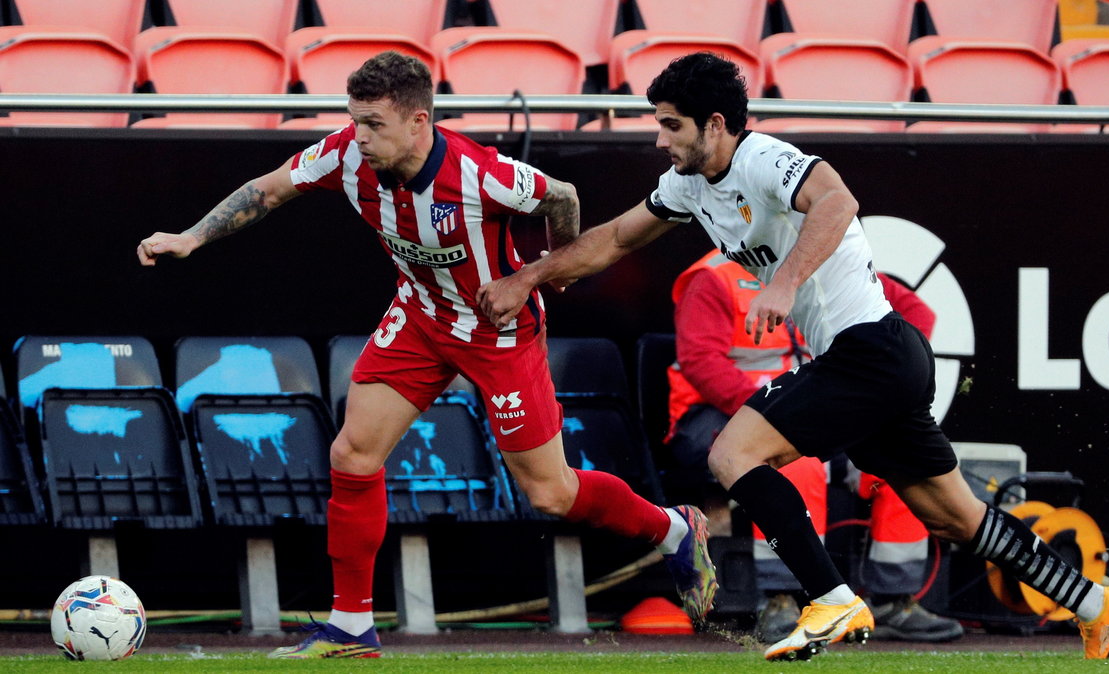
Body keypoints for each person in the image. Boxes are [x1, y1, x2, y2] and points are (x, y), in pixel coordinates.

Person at [477, 52, 1109, 661]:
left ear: (714, 125)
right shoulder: (688, 185)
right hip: (886, 360)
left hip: (867, 351)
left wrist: (785, 281)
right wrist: (528, 277)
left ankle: (830, 599)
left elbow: (838, 199)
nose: (659, 139)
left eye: (670, 125)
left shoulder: (763, 156)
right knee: (955, 515)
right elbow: (617, 238)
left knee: (733, 455)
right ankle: (1097, 603)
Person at [136, 51, 716, 659]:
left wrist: (553, 269)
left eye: (373, 125)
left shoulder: (479, 173)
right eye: (354, 120)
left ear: (418, 122)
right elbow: (270, 187)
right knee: (353, 453)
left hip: (499, 332)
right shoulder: (343, 153)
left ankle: (673, 527)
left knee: (551, 493)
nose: (358, 137)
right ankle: (350, 628)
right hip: (419, 319)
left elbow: (562, 196)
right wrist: (192, 236)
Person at [669, 249, 962, 643]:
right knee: (792, 463)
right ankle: (783, 599)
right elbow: (700, 361)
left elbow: (915, 314)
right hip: (718, 414)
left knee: (899, 455)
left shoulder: (829, 259)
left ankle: (895, 600)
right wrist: (779, 410)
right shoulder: (715, 276)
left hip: (816, 406)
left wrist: (877, 376)